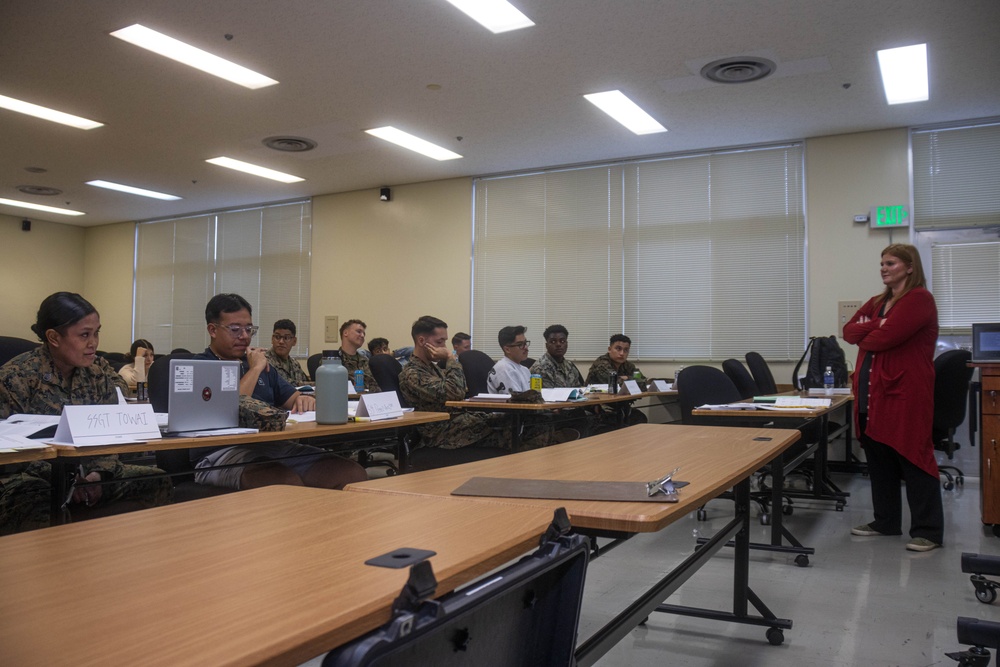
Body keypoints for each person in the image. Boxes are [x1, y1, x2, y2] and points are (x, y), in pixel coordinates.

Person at [0, 292, 172, 534]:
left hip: (90, 471)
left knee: (155, 480)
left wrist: (98, 475)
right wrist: (69, 481)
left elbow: (111, 429)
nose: (94, 343)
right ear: (53, 337)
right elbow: (9, 455)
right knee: (34, 497)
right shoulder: (16, 377)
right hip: (32, 478)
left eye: (96, 333)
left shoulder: (98, 372)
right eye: (84, 335)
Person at [192, 294, 366, 490]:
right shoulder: (201, 367)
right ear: (212, 330)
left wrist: (304, 400)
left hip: (273, 446)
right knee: (284, 482)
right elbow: (230, 407)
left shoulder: (262, 366)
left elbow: (294, 398)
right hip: (221, 453)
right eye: (235, 329)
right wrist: (255, 369)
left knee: (352, 473)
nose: (244, 336)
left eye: (249, 329)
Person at [843, 244, 943, 552]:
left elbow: (886, 339)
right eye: (882, 263)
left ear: (910, 267)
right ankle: (885, 521)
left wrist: (872, 331)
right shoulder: (877, 302)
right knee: (878, 457)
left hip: (904, 393)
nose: (884, 268)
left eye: (891, 263)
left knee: (914, 456)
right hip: (871, 392)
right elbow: (848, 332)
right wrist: (878, 323)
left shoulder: (919, 300)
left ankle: (928, 530)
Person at [399, 316, 507, 452]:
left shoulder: (433, 368)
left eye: (445, 341)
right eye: (440, 342)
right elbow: (455, 392)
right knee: (516, 432)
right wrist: (451, 358)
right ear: (421, 341)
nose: (444, 347)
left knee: (515, 422)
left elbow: (461, 389)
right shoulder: (412, 373)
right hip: (443, 433)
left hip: (459, 423)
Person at [264, 319, 310, 386]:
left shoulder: (295, 364)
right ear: (272, 339)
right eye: (277, 337)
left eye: (286, 338)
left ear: (294, 341)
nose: (281, 342)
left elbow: (305, 384)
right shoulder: (264, 361)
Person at [339, 319, 380, 392]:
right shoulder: (333, 360)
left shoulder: (365, 360)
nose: (362, 335)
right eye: (358, 331)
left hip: (367, 399)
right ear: (345, 333)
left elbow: (375, 385)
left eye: (364, 333)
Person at [487, 326, 531, 393]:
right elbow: (516, 400)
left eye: (525, 343)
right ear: (507, 349)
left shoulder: (525, 369)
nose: (526, 347)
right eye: (520, 344)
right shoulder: (503, 369)